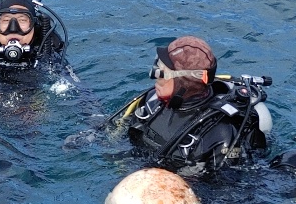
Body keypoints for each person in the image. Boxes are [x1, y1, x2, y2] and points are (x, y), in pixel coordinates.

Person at [108, 36, 272, 177]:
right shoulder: (152, 100)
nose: (155, 76)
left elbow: (224, 193)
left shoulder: (220, 133)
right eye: (156, 67)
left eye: (162, 73)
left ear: (185, 83)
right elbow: (122, 137)